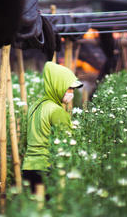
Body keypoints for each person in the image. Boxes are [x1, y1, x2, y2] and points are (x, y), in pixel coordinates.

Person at [22, 61, 83, 194]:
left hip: (28, 167)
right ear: (57, 86)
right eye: (69, 88)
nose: (71, 93)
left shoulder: (35, 106)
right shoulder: (57, 111)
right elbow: (67, 142)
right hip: (47, 168)